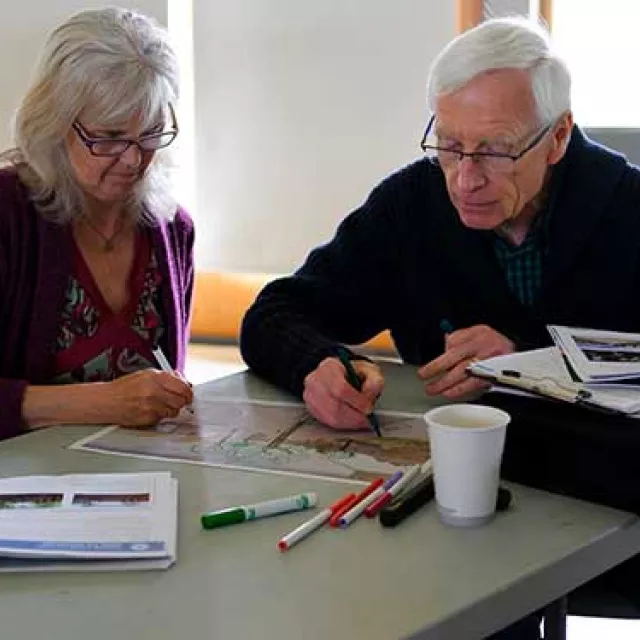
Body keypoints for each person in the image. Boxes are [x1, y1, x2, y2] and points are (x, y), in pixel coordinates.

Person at [240, 17, 640, 639]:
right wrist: (314, 365)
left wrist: (533, 362)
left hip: (607, 512)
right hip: (454, 515)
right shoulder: (412, 206)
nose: (465, 177)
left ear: (557, 136)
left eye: (495, 149)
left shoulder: (627, 208)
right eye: (449, 145)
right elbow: (275, 312)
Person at [0, 7, 194, 440]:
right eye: (107, 138)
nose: (133, 159)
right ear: (54, 122)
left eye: (150, 133)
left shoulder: (170, 228)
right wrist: (102, 402)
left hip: (142, 484)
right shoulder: (8, 215)